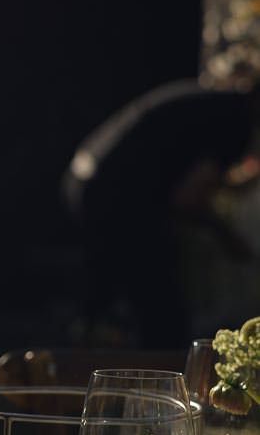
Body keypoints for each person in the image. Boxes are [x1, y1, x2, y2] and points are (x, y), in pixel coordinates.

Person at [63, 78, 259, 346]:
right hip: (120, 197)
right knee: (162, 313)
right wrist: (228, 238)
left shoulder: (214, 101)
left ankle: (84, 354)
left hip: (86, 177)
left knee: (113, 297)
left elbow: (193, 180)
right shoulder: (236, 123)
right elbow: (187, 200)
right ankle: (157, 377)